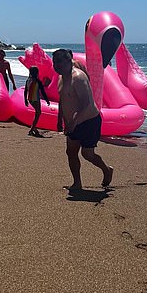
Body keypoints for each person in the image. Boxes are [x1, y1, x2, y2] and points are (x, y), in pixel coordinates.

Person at [52, 49, 113, 190]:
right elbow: (63, 99)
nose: (57, 66)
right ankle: (77, 183)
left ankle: (106, 169)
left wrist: (74, 122)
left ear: (69, 61)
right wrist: (60, 119)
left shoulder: (78, 78)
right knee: (71, 152)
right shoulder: (61, 78)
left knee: (87, 154)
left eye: (60, 63)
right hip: (72, 123)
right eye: (54, 63)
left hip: (89, 121)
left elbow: (85, 104)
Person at [24, 66, 50, 137]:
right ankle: (31, 129)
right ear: (37, 73)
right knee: (38, 113)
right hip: (35, 99)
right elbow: (43, 92)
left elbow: (25, 90)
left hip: (30, 99)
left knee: (37, 113)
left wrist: (25, 100)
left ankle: (34, 128)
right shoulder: (38, 81)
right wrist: (47, 100)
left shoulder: (28, 80)